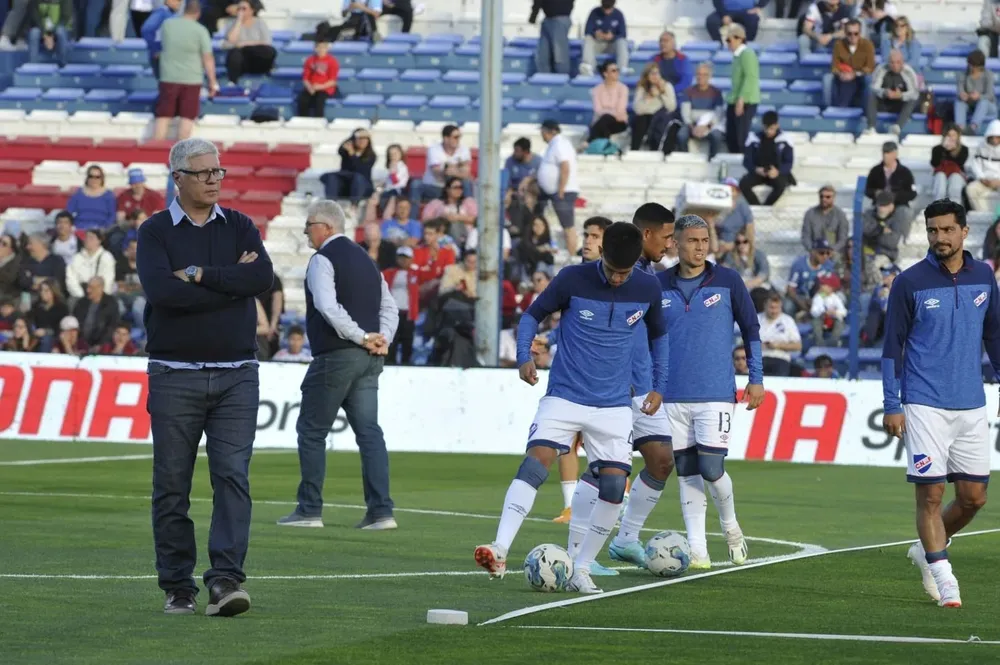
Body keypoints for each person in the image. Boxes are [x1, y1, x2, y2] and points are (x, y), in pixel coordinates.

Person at [473, 222, 669, 594]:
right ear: (602, 255)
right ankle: (499, 547)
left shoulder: (648, 287)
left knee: (613, 485)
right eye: (612, 269)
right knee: (536, 461)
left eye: (624, 273)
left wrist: (659, 386)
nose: (616, 278)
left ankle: (581, 567)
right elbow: (532, 315)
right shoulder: (572, 279)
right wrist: (523, 357)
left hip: (613, 405)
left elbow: (660, 336)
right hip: (563, 395)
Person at [137, 137, 274, 617]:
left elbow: (260, 280)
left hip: (238, 373)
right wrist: (227, 283)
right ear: (179, 178)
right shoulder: (154, 232)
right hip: (175, 374)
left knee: (232, 478)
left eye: (219, 171)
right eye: (205, 173)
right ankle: (177, 585)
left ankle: (225, 581)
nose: (216, 179)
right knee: (172, 484)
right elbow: (162, 294)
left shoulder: (239, 225)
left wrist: (195, 274)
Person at [882, 198, 1000, 609]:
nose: (939, 237)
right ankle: (945, 578)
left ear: (964, 232)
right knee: (930, 497)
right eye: (933, 230)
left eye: (947, 229)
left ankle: (926, 550)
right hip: (923, 403)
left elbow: (995, 336)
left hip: (971, 404)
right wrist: (891, 403)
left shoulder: (985, 275)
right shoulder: (909, 282)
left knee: (974, 499)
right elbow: (891, 348)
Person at [642, 214, 764, 569]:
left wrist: (755, 378)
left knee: (711, 468)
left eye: (704, 240)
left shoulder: (727, 280)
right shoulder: (657, 284)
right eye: (692, 241)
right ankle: (697, 549)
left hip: (715, 393)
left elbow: (751, 328)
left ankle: (731, 528)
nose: (700, 247)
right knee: (687, 471)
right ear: (675, 244)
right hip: (671, 395)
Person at [561, 204, 675, 578]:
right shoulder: (616, 274)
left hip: (643, 387)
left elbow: (657, 334)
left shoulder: (650, 277)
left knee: (661, 461)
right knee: (604, 471)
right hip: (614, 389)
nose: (670, 244)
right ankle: (579, 551)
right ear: (646, 234)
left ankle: (625, 539)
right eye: (666, 236)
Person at [277, 200, 399, 530]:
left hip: (336, 356)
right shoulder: (367, 261)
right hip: (369, 360)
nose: (305, 232)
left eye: (309, 225)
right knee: (370, 434)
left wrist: (362, 337)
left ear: (327, 227)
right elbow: (390, 308)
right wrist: (381, 338)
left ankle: (309, 510)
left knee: (312, 431)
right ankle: (381, 512)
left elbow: (327, 308)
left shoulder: (322, 260)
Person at [153, 0, 220, 141]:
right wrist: (213, 82)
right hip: (191, 79)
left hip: (168, 77)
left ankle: (154, 151)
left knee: (163, 116)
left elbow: (159, 47)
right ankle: (180, 155)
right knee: (187, 118)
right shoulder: (200, 30)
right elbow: (207, 58)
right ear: (198, 13)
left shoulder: (167, 25)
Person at [537, 120, 580, 256]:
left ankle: (572, 255)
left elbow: (565, 166)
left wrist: (561, 189)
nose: (542, 135)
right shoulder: (554, 145)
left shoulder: (559, 144)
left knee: (568, 226)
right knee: (564, 225)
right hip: (556, 191)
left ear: (551, 131)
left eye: (543, 131)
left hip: (563, 192)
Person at [739, 110, 795, 206]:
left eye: (771, 128)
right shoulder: (753, 138)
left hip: (776, 173)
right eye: (766, 128)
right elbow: (746, 161)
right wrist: (756, 169)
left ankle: (766, 207)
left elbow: (789, 162)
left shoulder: (785, 139)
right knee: (743, 184)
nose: (768, 131)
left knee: (781, 185)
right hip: (759, 172)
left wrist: (778, 171)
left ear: (777, 125)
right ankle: (756, 206)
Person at [863, 49, 919, 136]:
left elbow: (914, 92)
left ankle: (897, 127)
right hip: (885, 102)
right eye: (892, 62)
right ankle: (871, 127)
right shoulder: (881, 69)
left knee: (913, 99)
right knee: (871, 95)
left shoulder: (909, 72)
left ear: (902, 62)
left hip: (901, 104)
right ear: (888, 62)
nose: (895, 65)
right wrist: (884, 92)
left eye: (898, 62)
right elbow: (874, 87)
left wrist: (901, 95)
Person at [724, 24, 760, 155]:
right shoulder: (737, 56)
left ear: (739, 39)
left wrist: (741, 99)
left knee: (741, 137)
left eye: (730, 40)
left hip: (744, 101)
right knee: (731, 136)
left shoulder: (747, 54)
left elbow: (750, 77)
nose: (728, 43)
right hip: (735, 100)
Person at [221, 0, 276, 85]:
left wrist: (245, 44)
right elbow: (230, 42)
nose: (241, 11)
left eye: (244, 9)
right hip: (241, 59)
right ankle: (233, 83)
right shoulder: (232, 23)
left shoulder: (260, 23)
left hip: (256, 57)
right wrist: (239, 21)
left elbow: (267, 42)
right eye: (239, 9)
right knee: (235, 54)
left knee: (269, 51)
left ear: (252, 10)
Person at [678, 63, 726, 158]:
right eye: (699, 74)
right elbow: (686, 114)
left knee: (716, 136)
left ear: (709, 76)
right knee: (681, 135)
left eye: (704, 74)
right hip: (692, 124)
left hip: (710, 125)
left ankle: (712, 161)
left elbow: (718, 114)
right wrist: (693, 128)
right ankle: (686, 160)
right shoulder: (688, 91)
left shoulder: (716, 92)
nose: (701, 77)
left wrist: (707, 127)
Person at [382, 246, 418, 365]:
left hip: (408, 313)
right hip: (393, 312)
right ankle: (389, 363)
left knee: (408, 341)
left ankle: (406, 364)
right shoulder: (388, 273)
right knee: (392, 340)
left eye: (406, 258)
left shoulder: (416, 273)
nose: (403, 261)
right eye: (401, 258)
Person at [630, 63, 678, 152]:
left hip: (661, 117)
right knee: (640, 120)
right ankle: (634, 150)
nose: (655, 76)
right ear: (647, 76)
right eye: (652, 73)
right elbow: (637, 109)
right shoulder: (642, 88)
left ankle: (656, 150)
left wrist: (660, 94)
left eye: (657, 73)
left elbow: (671, 107)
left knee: (658, 121)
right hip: (645, 117)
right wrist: (648, 99)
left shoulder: (667, 86)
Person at [321, 129, 376, 207]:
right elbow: (341, 149)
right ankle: (330, 206)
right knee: (332, 178)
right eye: (360, 138)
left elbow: (360, 170)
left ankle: (354, 207)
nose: (362, 141)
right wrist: (354, 136)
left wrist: (352, 154)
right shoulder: (345, 152)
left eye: (365, 139)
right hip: (347, 186)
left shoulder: (371, 156)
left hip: (362, 188)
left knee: (358, 178)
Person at [829, 19, 875, 108]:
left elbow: (870, 67)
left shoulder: (868, 45)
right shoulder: (839, 45)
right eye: (849, 33)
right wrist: (840, 74)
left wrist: (854, 74)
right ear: (845, 33)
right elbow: (834, 66)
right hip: (843, 76)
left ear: (860, 33)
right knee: (829, 79)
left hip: (860, 76)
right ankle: (834, 110)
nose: (853, 36)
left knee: (867, 80)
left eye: (856, 33)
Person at [579, 0, 628, 77]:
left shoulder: (619, 14)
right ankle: (588, 66)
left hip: (612, 45)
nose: (607, 12)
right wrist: (596, 34)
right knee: (588, 39)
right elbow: (587, 31)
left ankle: (622, 67)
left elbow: (623, 33)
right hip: (598, 44)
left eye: (609, 9)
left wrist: (612, 36)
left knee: (621, 41)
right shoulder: (594, 12)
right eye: (605, 9)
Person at [864, 141, 916, 213]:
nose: (885, 156)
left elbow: (912, 193)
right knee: (869, 213)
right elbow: (867, 190)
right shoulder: (875, 171)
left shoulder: (905, 172)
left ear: (895, 154)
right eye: (884, 153)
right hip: (880, 204)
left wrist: (895, 196)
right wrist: (876, 193)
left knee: (905, 213)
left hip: (899, 205)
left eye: (888, 153)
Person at [758, 292, 803, 376]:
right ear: (765, 305)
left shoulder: (788, 320)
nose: (774, 311)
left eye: (777, 308)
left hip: (780, 358)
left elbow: (798, 346)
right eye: (771, 307)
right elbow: (744, 342)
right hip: (759, 358)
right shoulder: (756, 319)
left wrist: (778, 346)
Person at [71, 276, 120, 351]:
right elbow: (75, 323)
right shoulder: (81, 303)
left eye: (91, 288)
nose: (88, 290)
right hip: (81, 343)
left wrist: (100, 344)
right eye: (88, 287)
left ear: (100, 288)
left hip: (101, 344)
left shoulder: (111, 303)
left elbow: (111, 326)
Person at [955, 50, 997, 135]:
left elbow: (990, 95)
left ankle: (973, 127)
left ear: (979, 66)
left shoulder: (988, 75)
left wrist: (979, 96)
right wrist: (962, 95)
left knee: (983, 102)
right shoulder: (963, 74)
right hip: (970, 104)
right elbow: (960, 90)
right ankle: (960, 127)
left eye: (973, 65)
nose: (971, 67)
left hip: (988, 106)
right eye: (970, 65)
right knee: (959, 101)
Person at [66, 229, 116, 300]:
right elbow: (71, 279)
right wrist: (81, 296)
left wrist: (99, 297)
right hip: (80, 294)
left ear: (99, 241)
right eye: (86, 237)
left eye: (91, 238)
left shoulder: (107, 257)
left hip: (101, 295)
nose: (87, 240)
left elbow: (108, 280)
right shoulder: (76, 258)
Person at [586, 61, 629, 143]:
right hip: (601, 120)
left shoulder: (623, 88)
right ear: (605, 74)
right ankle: (604, 147)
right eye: (613, 70)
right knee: (604, 123)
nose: (617, 72)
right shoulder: (597, 89)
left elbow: (620, 109)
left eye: (617, 70)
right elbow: (598, 109)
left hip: (619, 122)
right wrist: (609, 112)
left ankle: (588, 142)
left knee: (604, 120)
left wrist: (606, 111)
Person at [296, 39, 339, 118]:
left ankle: (319, 121)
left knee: (319, 101)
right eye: (319, 47)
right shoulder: (310, 60)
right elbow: (305, 78)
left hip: (325, 88)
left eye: (323, 47)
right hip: (311, 87)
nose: (321, 50)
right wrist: (310, 87)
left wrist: (320, 86)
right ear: (315, 48)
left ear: (327, 49)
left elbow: (333, 81)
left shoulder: (332, 61)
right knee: (303, 100)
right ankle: (303, 120)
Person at [140, 0, 183, 77]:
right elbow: (147, 29)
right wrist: (155, 49)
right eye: (177, 0)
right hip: (161, 58)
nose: (179, 3)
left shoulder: (172, 14)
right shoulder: (162, 12)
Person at [801, 185, 849, 252]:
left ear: (834, 198)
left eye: (828, 197)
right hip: (814, 252)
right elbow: (806, 237)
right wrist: (812, 250)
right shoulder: (810, 213)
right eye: (821, 196)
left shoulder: (840, 215)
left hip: (833, 253)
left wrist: (830, 251)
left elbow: (842, 239)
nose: (824, 199)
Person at [67, 166, 117, 230]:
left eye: (97, 177)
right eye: (91, 176)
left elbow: (112, 216)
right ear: (87, 178)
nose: (94, 179)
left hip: (101, 230)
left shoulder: (109, 196)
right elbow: (68, 213)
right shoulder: (77, 194)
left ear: (102, 178)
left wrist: (104, 229)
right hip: (79, 228)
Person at [529, 0, 572, 75]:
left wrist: (533, 17)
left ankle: (561, 81)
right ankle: (545, 82)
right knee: (543, 56)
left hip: (559, 17)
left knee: (559, 56)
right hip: (553, 17)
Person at [966, 119, 1000, 211]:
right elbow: (975, 164)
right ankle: (982, 214)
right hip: (984, 181)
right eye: (992, 137)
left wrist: (998, 181)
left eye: (997, 137)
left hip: (999, 181)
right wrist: (982, 178)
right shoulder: (981, 147)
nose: (994, 140)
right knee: (971, 189)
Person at [930, 126, 968, 205]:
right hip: (941, 175)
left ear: (958, 136)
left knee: (955, 178)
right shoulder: (937, 149)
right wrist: (943, 149)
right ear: (944, 136)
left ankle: (955, 208)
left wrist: (951, 151)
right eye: (949, 135)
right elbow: (935, 163)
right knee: (940, 177)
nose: (951, 138)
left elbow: (960, 163)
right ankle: (938, 207)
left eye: (953, 135)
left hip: (957, 175)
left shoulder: (964, 149)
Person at [27, 0, 72, 67]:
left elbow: (65, 18)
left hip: (58, 28)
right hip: (41, 28)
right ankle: (33, 67)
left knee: (60, 32)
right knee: (34, 33)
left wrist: (51, 34)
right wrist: (45, 34)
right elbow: (34, 16)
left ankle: (63, 65)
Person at [810, 273, 847, 345]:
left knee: (840, 324)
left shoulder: (836, 298)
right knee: (815, 322)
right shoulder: (819, 296)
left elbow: (844, 312)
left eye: (824, 285)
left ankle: (833, 342)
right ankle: (820, 343)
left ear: (831, 288)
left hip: (833, 320)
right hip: (822, 319)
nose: (821, 286)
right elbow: (813, 311)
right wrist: (823, 312)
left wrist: (835, 312)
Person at [0, 232, 20, 302]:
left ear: (11, 249)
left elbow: (10, 278)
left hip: (7, 296)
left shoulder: (16, 261)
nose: (0, 245)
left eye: (4, 244)